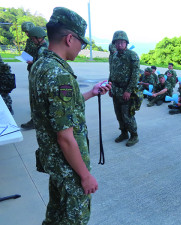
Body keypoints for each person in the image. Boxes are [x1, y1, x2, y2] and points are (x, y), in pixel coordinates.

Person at [28, 7, 111, 224]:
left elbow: (58, 111)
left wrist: (91, 93)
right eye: (81, 43)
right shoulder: (60, 75)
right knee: (75, 219)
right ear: (69, 38)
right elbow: (65, 137)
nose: (81, 48)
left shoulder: (41, 65)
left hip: (55, 162)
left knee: (55, 214)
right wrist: (85, 176)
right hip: (69, 167)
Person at [109, 30, 141, 147]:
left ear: (126, 43)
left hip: (126, 91)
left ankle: (134, 135)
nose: (120, 45)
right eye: (117, 42)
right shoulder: (114, 56)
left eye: (122, 42)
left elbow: (135, 75)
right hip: (115, 90)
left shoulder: (132, 55)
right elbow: (111, 71)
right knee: (118, 114)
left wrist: (128, 90)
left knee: (127, 115)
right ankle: (124, 133)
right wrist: (110, 86)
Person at [21, 27, 48, 130]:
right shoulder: (42, 47)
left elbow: (42, 65)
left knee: (35, 100)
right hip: (37, 77)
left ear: (39, 38)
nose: (32, 41)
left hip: (38, 79)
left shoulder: (43, 49)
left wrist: (32, 62)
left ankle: (35, 121)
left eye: (33, 39)